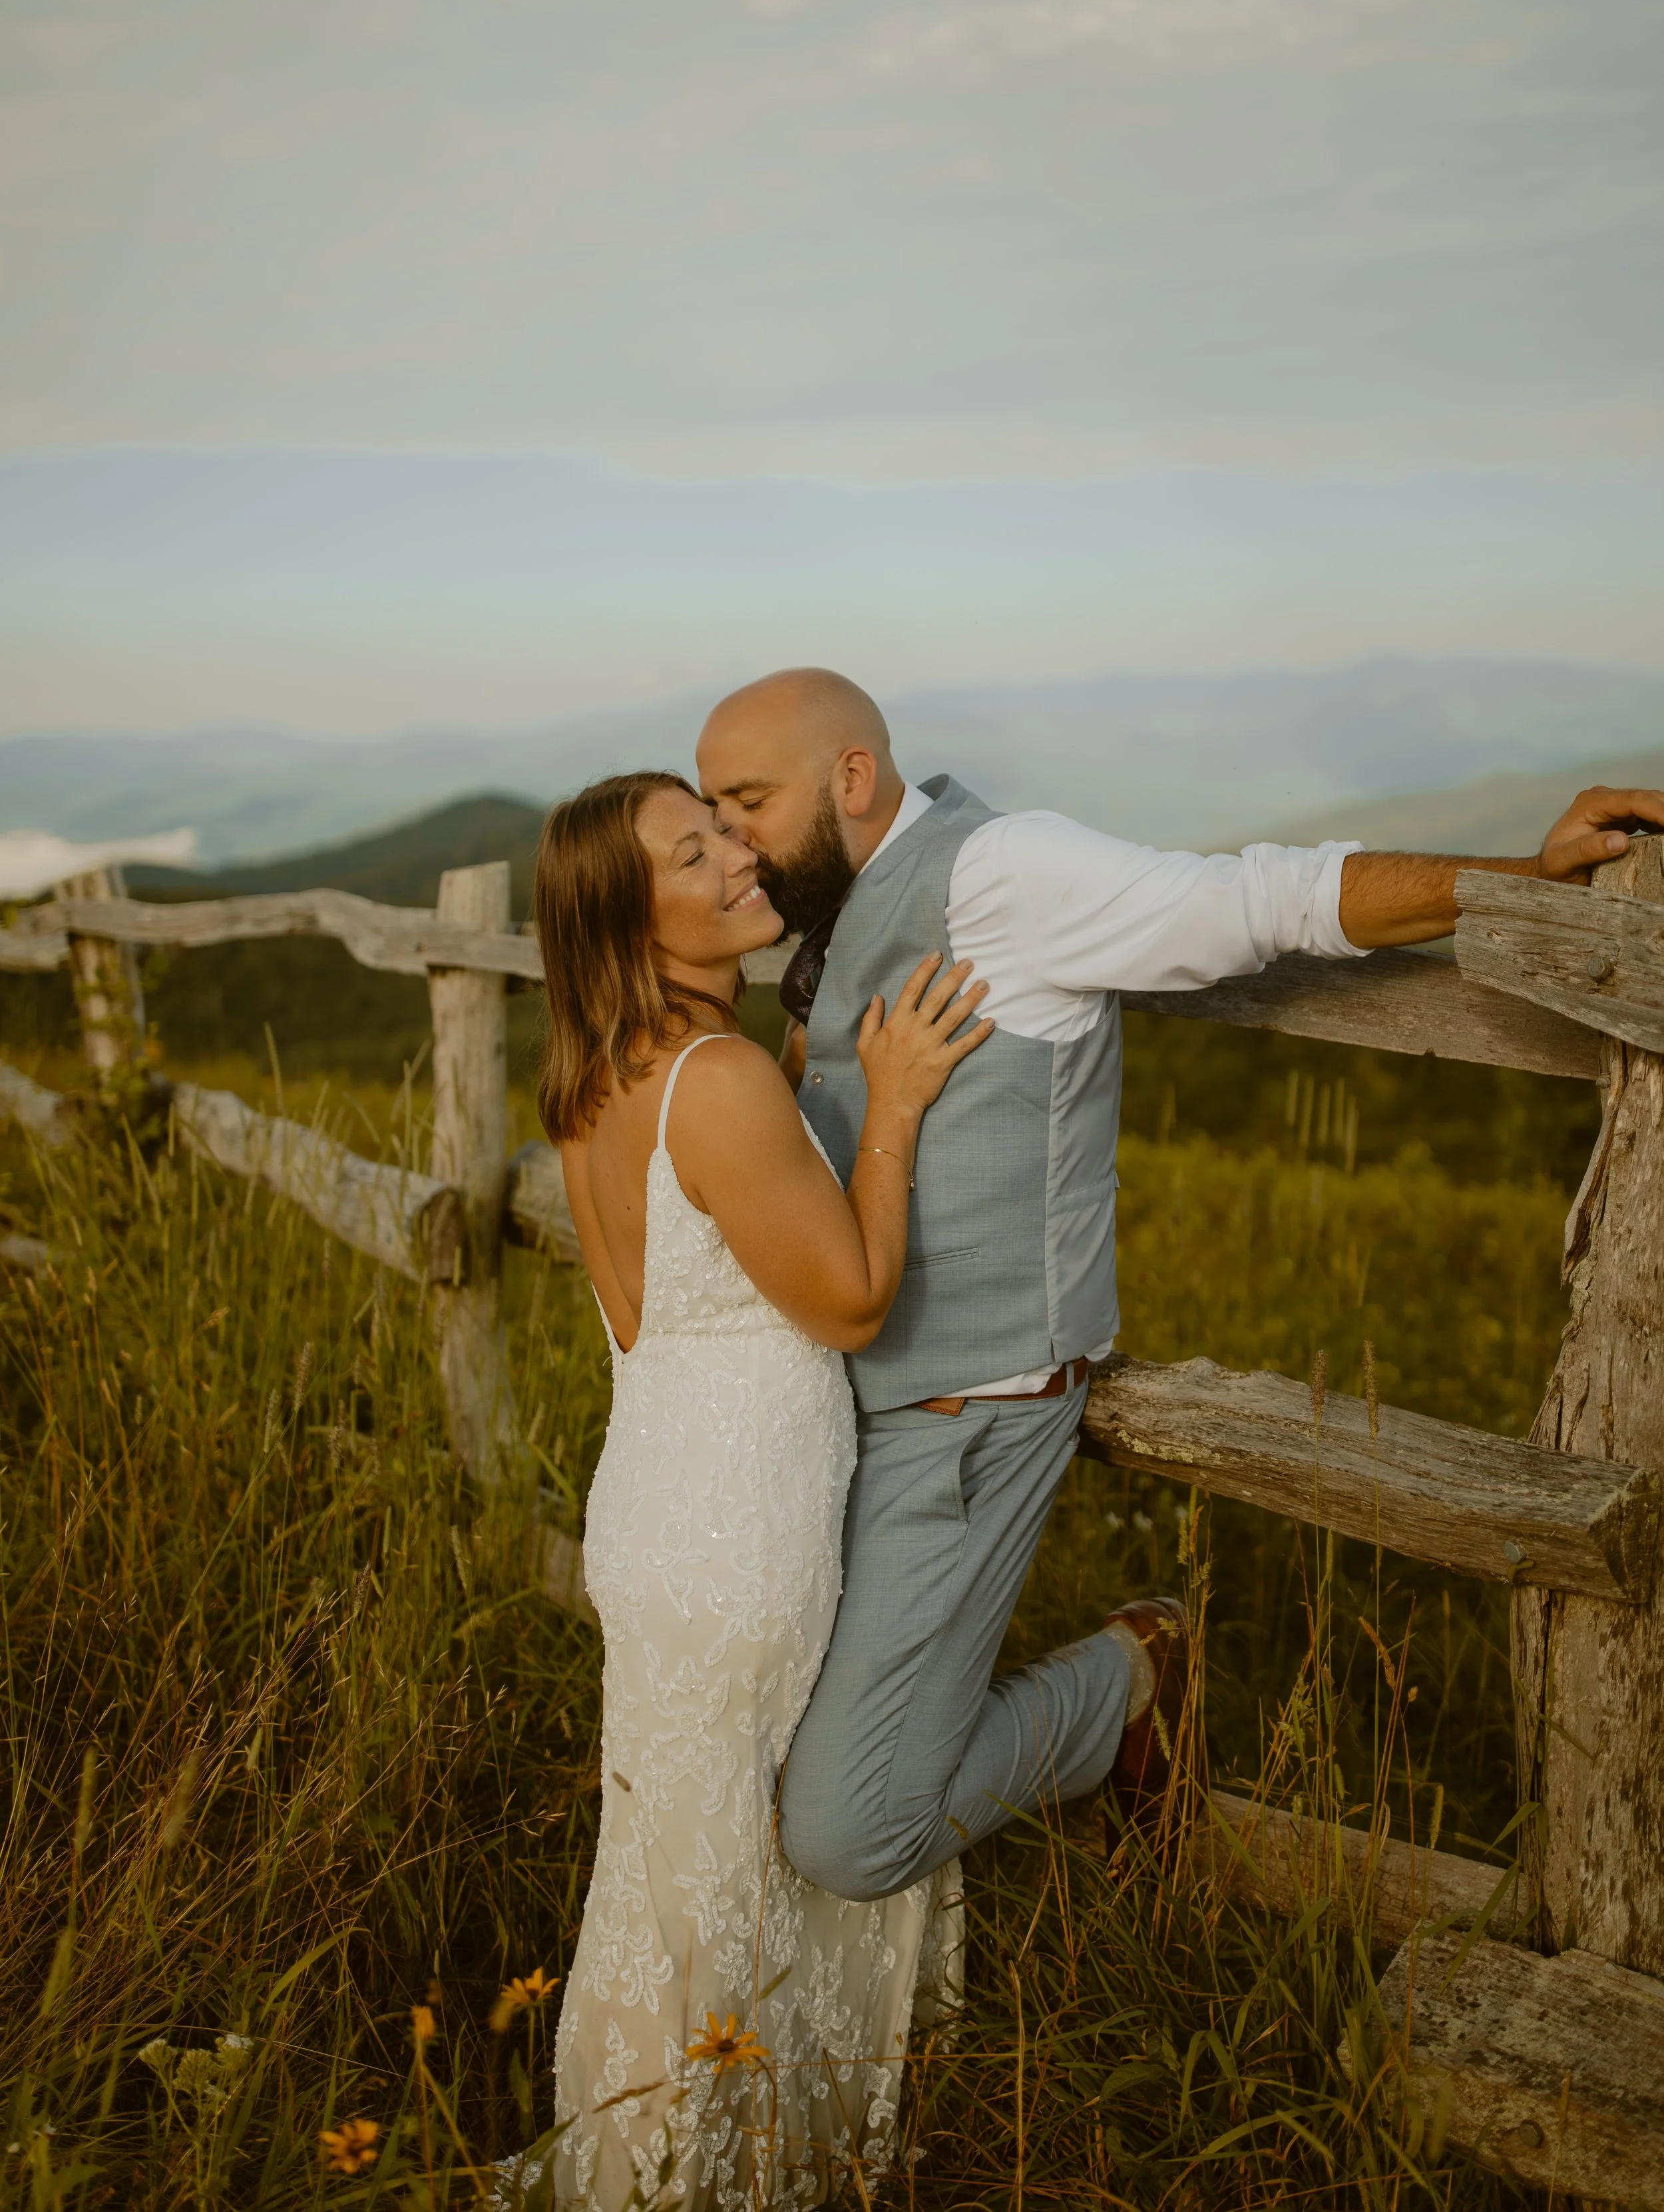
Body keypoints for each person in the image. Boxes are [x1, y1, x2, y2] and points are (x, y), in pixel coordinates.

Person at [694, 667, 1664, 1906]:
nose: (733, 839)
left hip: (969, 1410)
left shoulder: (1006, 874)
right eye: (715, 813)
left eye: (749, 801)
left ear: (851, 778)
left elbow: (1257, 897)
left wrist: (1518, 880)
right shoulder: (838, 911)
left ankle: (1129, 1679)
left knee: (847, 1829)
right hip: (847, 1403)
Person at [528, 770, 988, 2211]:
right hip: (742, 1535)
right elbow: (846, 1300)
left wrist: (794, 1072)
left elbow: (717, 1238)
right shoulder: (714, 1084)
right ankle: (752, 2170)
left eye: (725, 827)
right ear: (629, 912)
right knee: (773, 1861)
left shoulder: (598, 1081)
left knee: (676, 1869)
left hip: (654, 1517)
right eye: (693, 850)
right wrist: (896, 1100)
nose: (736, 855)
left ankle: (648, 2165)